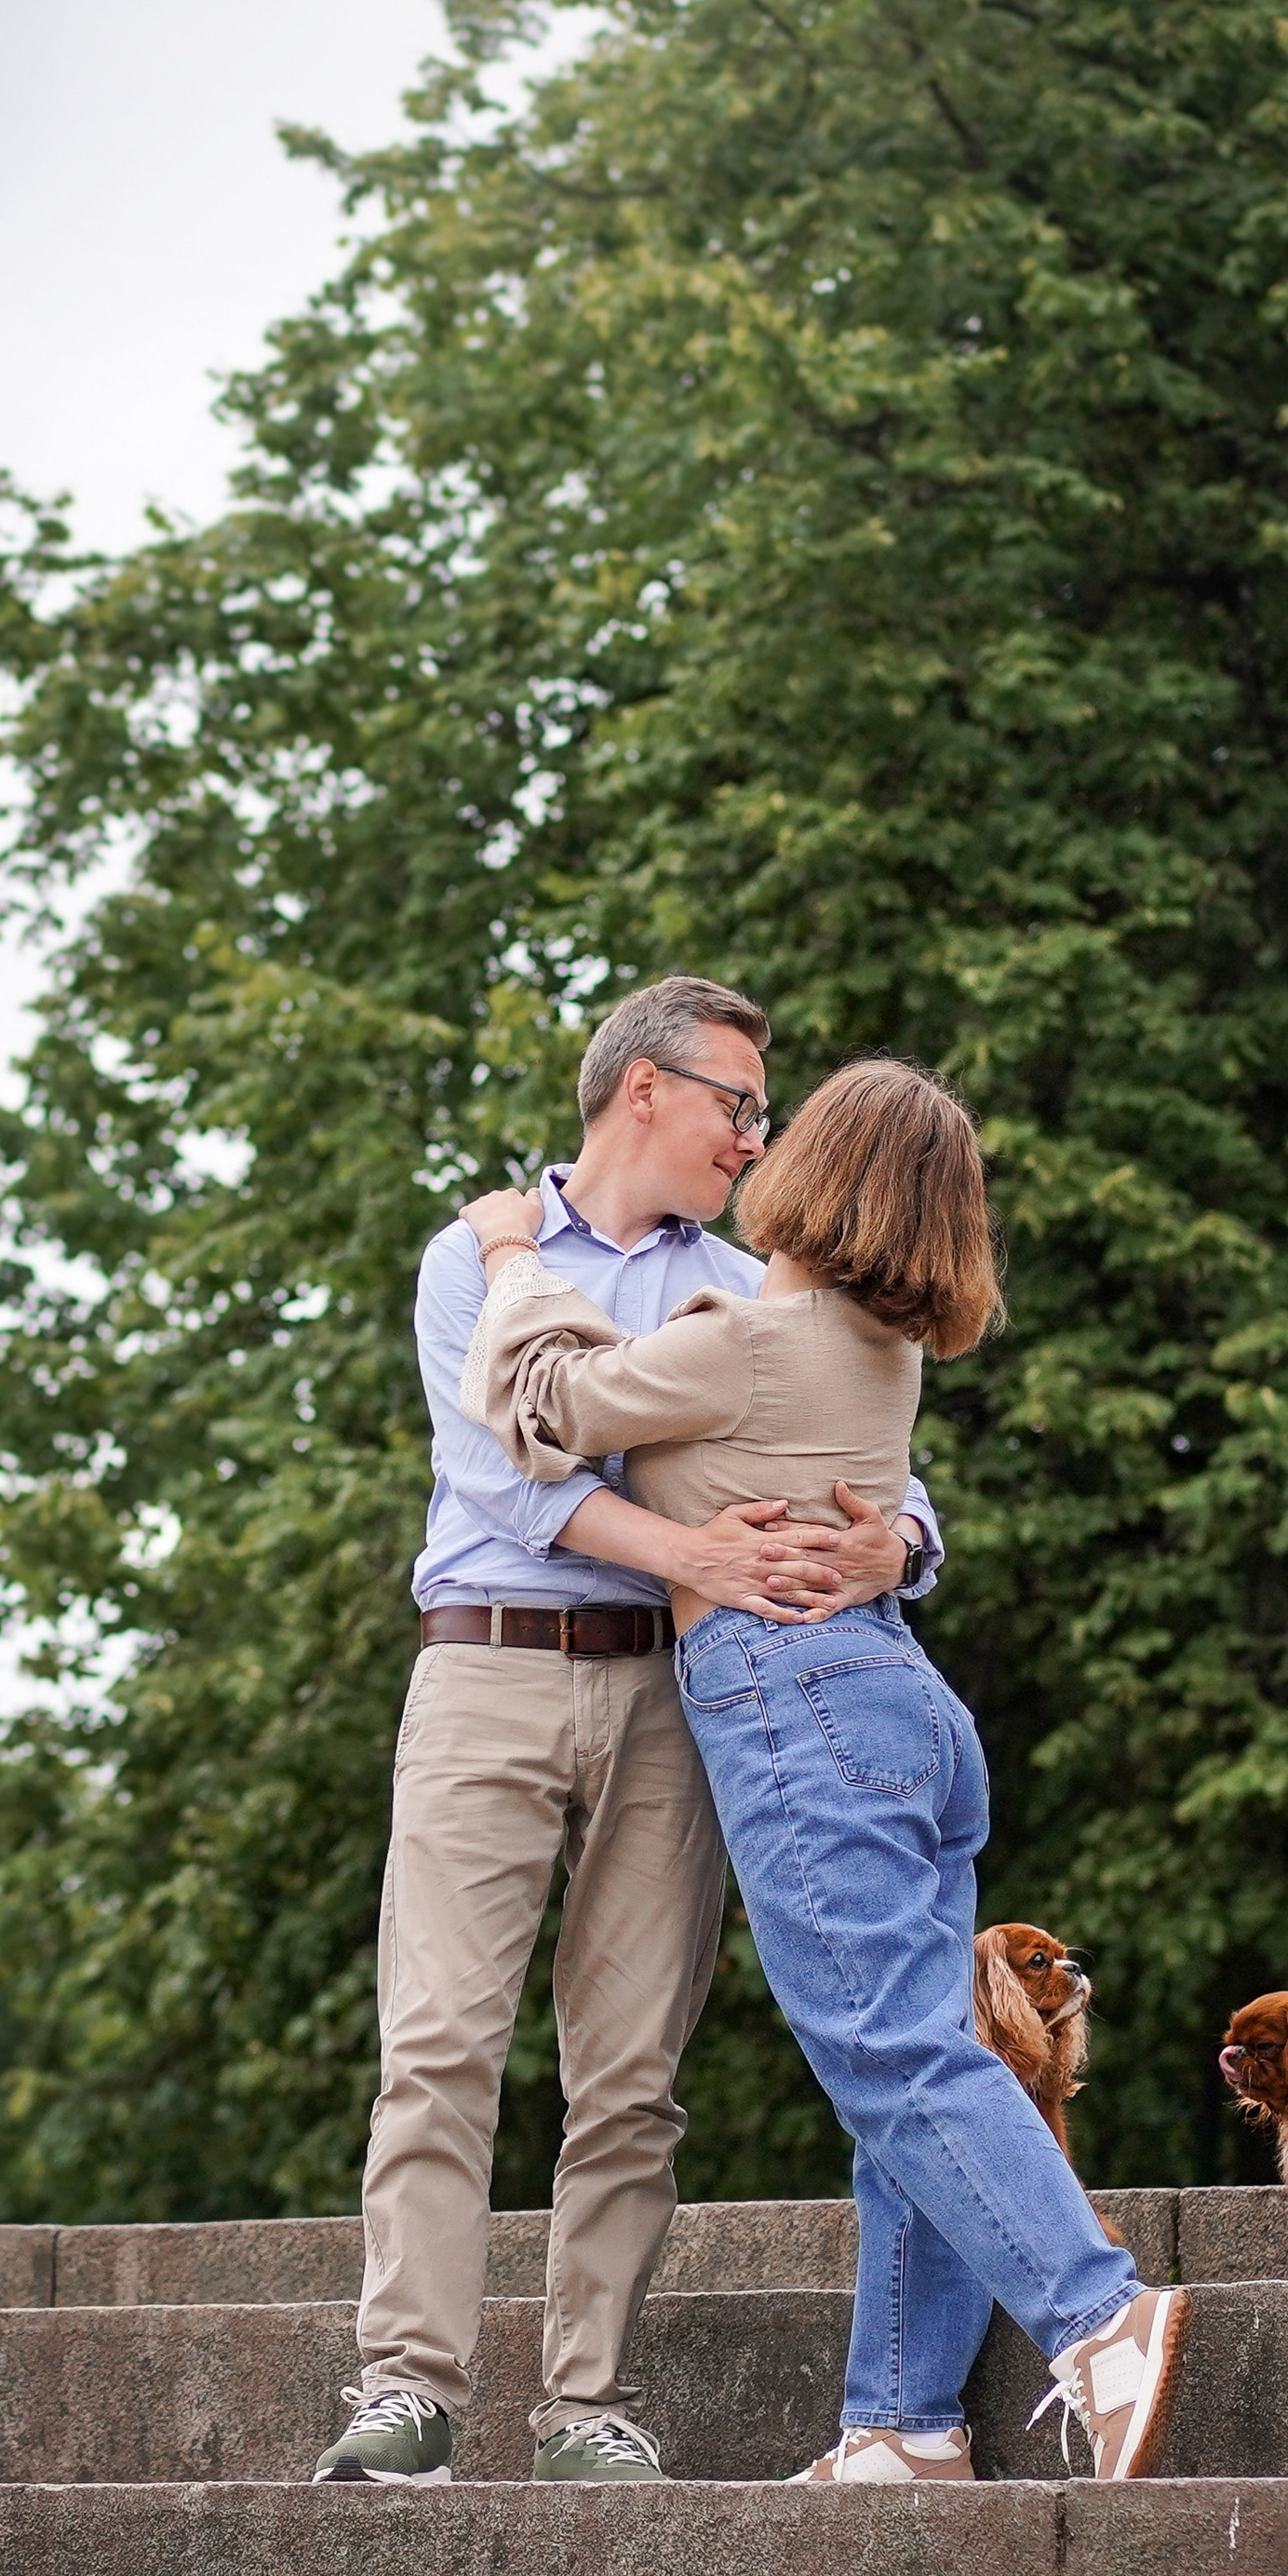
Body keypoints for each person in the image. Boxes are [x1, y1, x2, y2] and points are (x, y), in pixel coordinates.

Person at [458, 1055, 1190, 2487]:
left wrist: (507, 1251)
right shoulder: (875, 1347)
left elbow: (539, 1409)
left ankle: (1098, 2314)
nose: (757, 1141)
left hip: (794, 1701)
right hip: (897, 1703)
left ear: (820, 1174)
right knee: (910, 2053)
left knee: (892, 2051)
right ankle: (905, 2424)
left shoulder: (744, 1340)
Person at [312, 977, 946, 2490]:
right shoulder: (475, 1257)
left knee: (632, 2070)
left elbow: (864, 1444)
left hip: (679, 1691)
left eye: (764, 1112)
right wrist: (696, 1552)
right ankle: (406, 2391)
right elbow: (509, 1472)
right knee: (439, 2041)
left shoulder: (749, 1282)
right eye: (738, 1102)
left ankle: (587, 2399)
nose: (756, 1137)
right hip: (486, 1668)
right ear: (642, 1089)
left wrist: (904, 1543)